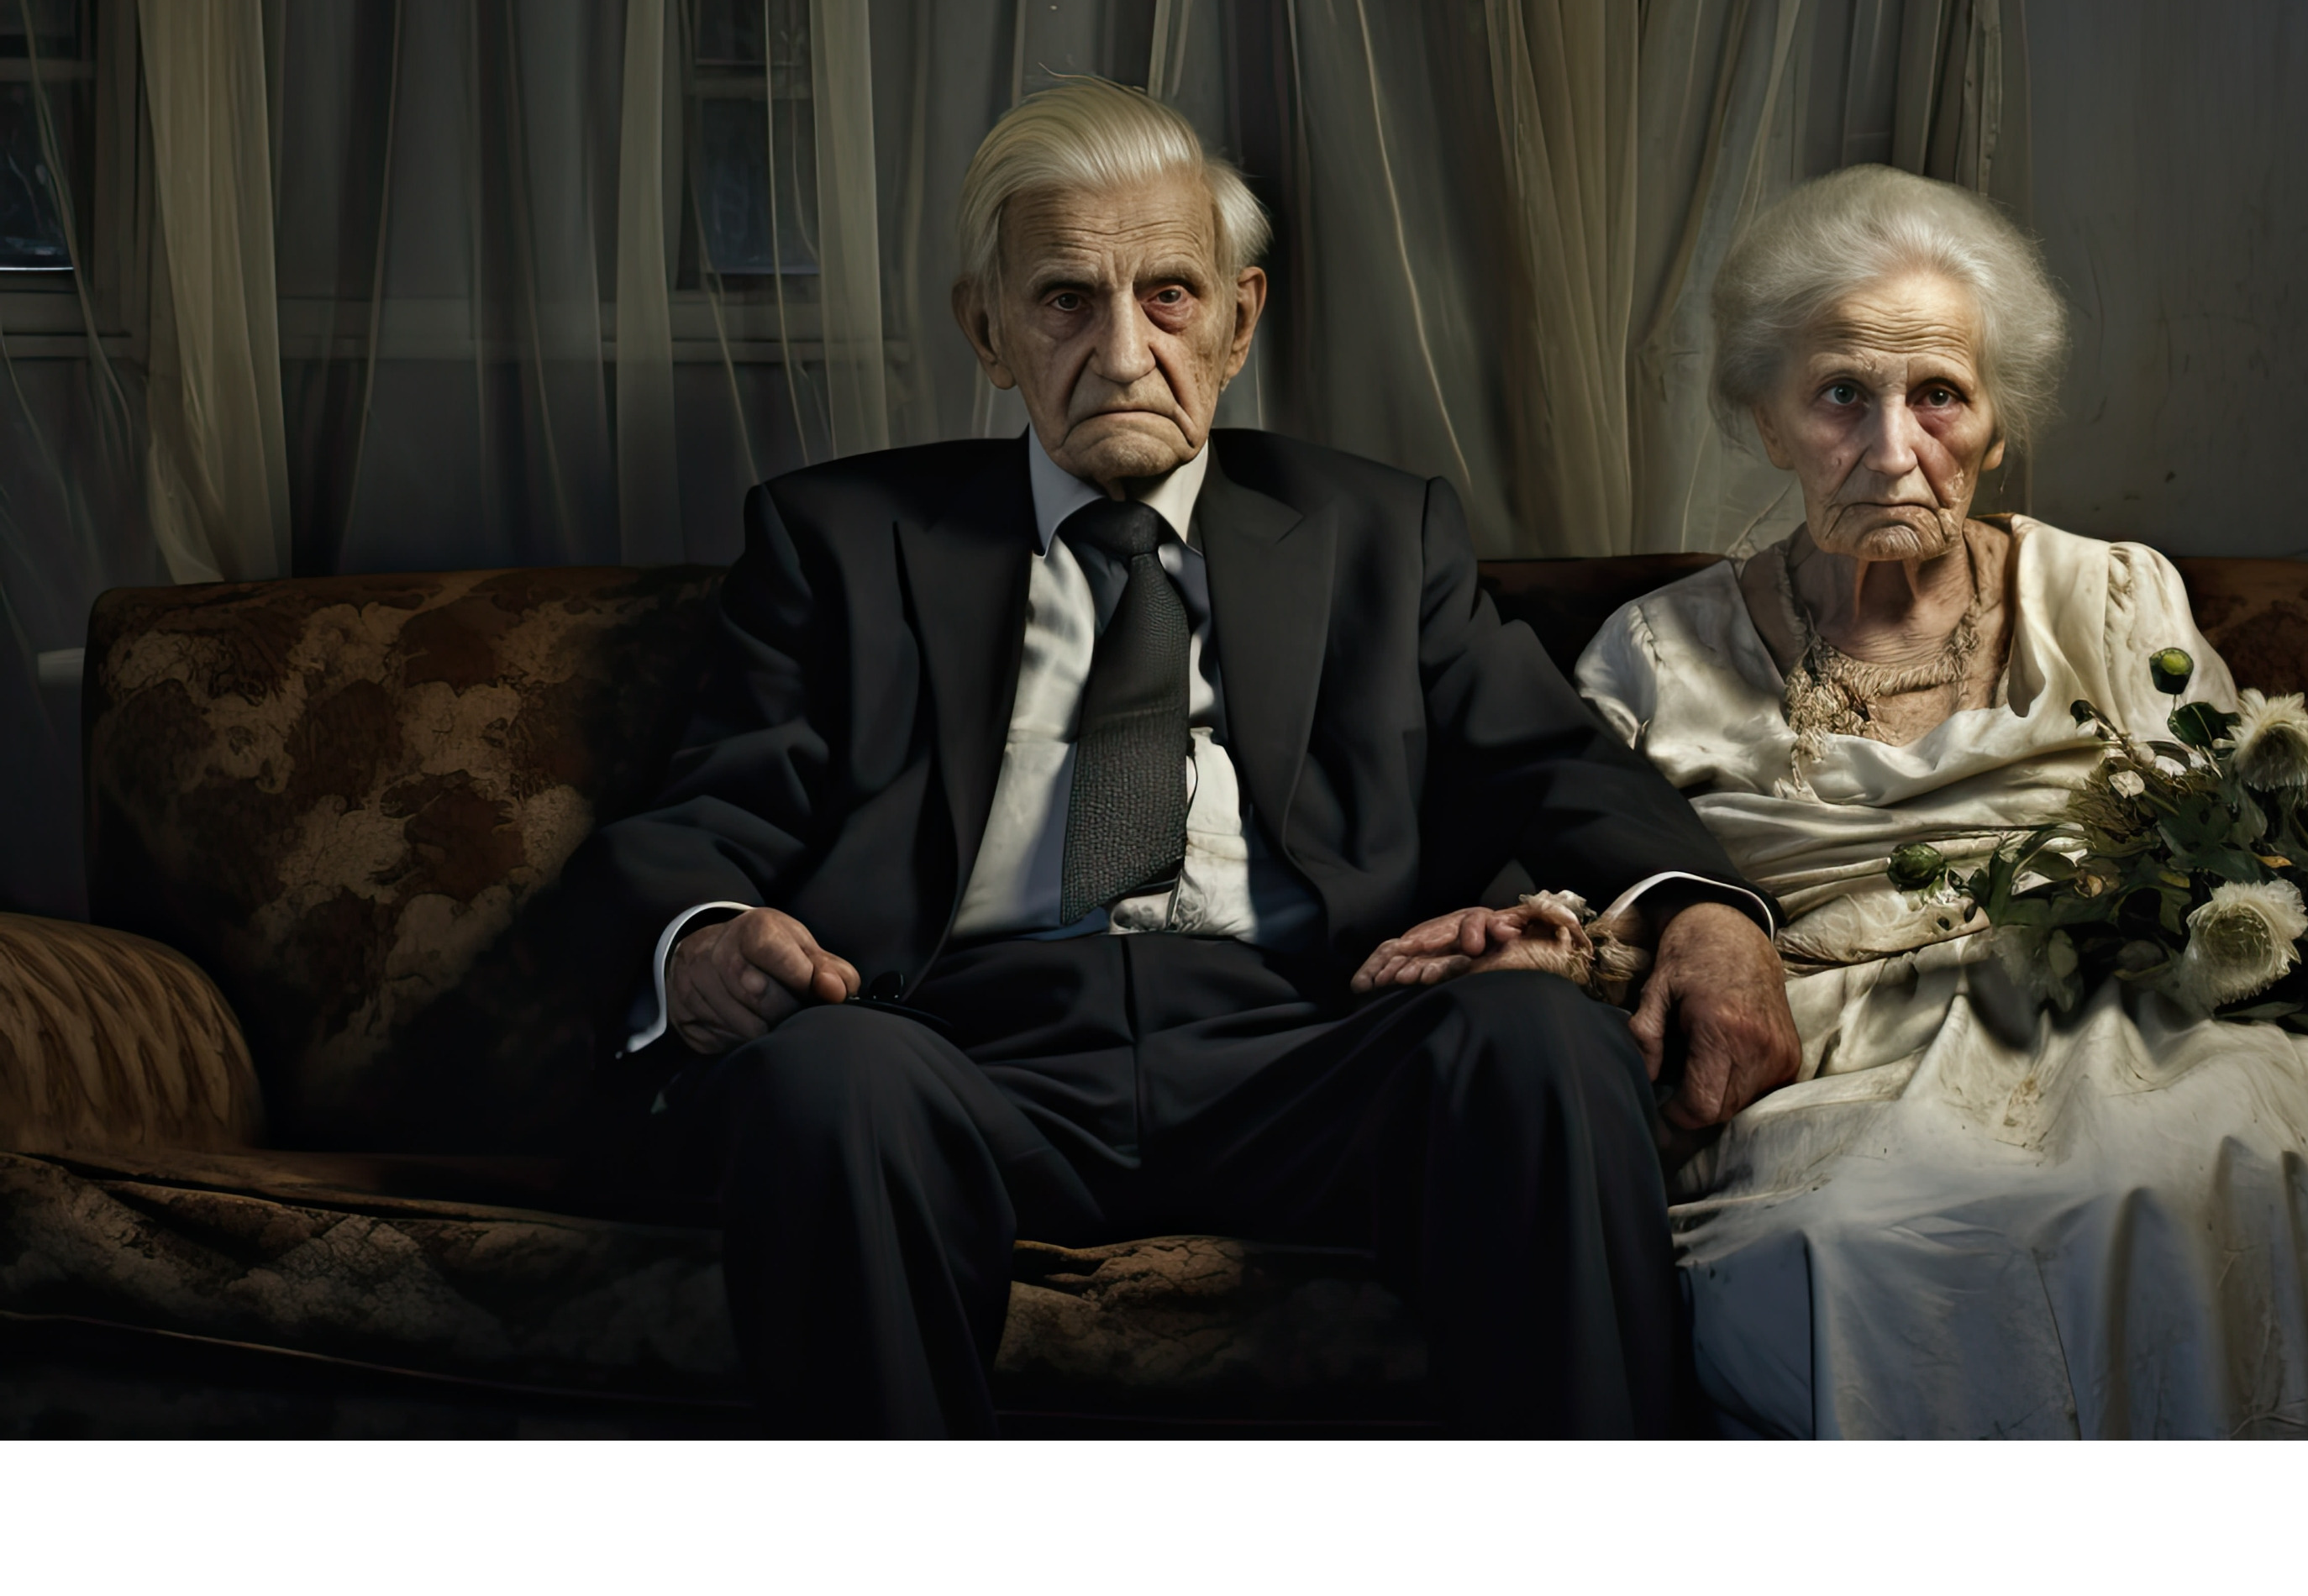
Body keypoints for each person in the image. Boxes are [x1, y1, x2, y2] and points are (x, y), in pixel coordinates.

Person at [560, 78, 1801, 1436]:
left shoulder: (1379, 533)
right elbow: (704, 818)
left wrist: (1706, 912)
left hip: (1306, 1048)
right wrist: (701, 942)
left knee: (1538, 1043)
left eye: (1168, 296)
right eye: (1064, 300)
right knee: (824, 1081)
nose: (1122, 352)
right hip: (960, 1054)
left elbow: (1555, 763)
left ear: (1237, 320)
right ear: (987, 330)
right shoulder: (838, 540)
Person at [1364, 164, 2308, 1437]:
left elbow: (2247, 860)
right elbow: (1612, 881)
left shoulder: (2114, 599)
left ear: (1996, 422)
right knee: (1864, 1235)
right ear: (1765, 421)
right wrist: (1557, 936)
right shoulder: (1654, 654)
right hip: (1828, 1066)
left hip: (2133, 1025)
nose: (1893, 450)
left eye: (1939, 395)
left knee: (2227, 1169)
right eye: (1840, 395)